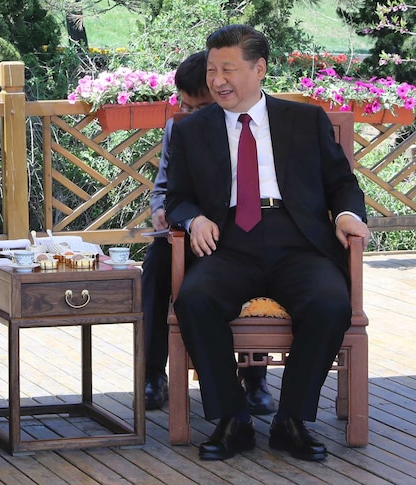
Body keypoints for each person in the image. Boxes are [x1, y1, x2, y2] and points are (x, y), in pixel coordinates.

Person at [165, 25, 369, 462]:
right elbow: (175, 196)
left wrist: (350, 216)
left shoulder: (304, 119)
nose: (217, 79)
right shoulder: (191, 130)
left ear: (259, 69)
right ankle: (232, 419)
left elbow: (342, 184)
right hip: (228, 241)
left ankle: (291, 420)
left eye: (228, 69)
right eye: (213, 69)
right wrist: (193, 217)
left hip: (298, 239)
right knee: (194, 300)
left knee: (331, 303)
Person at [142, 51, 275, 416]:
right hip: (188, 232)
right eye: (182, 105)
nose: (187, 114)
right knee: (155, 264)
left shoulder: (254, 126)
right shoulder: (179, 128)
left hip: (239, 234)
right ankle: (153, 372)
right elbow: (163, 187)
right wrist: (159, 211)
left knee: (260, 253)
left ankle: (254, 377)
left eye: (197, 107)